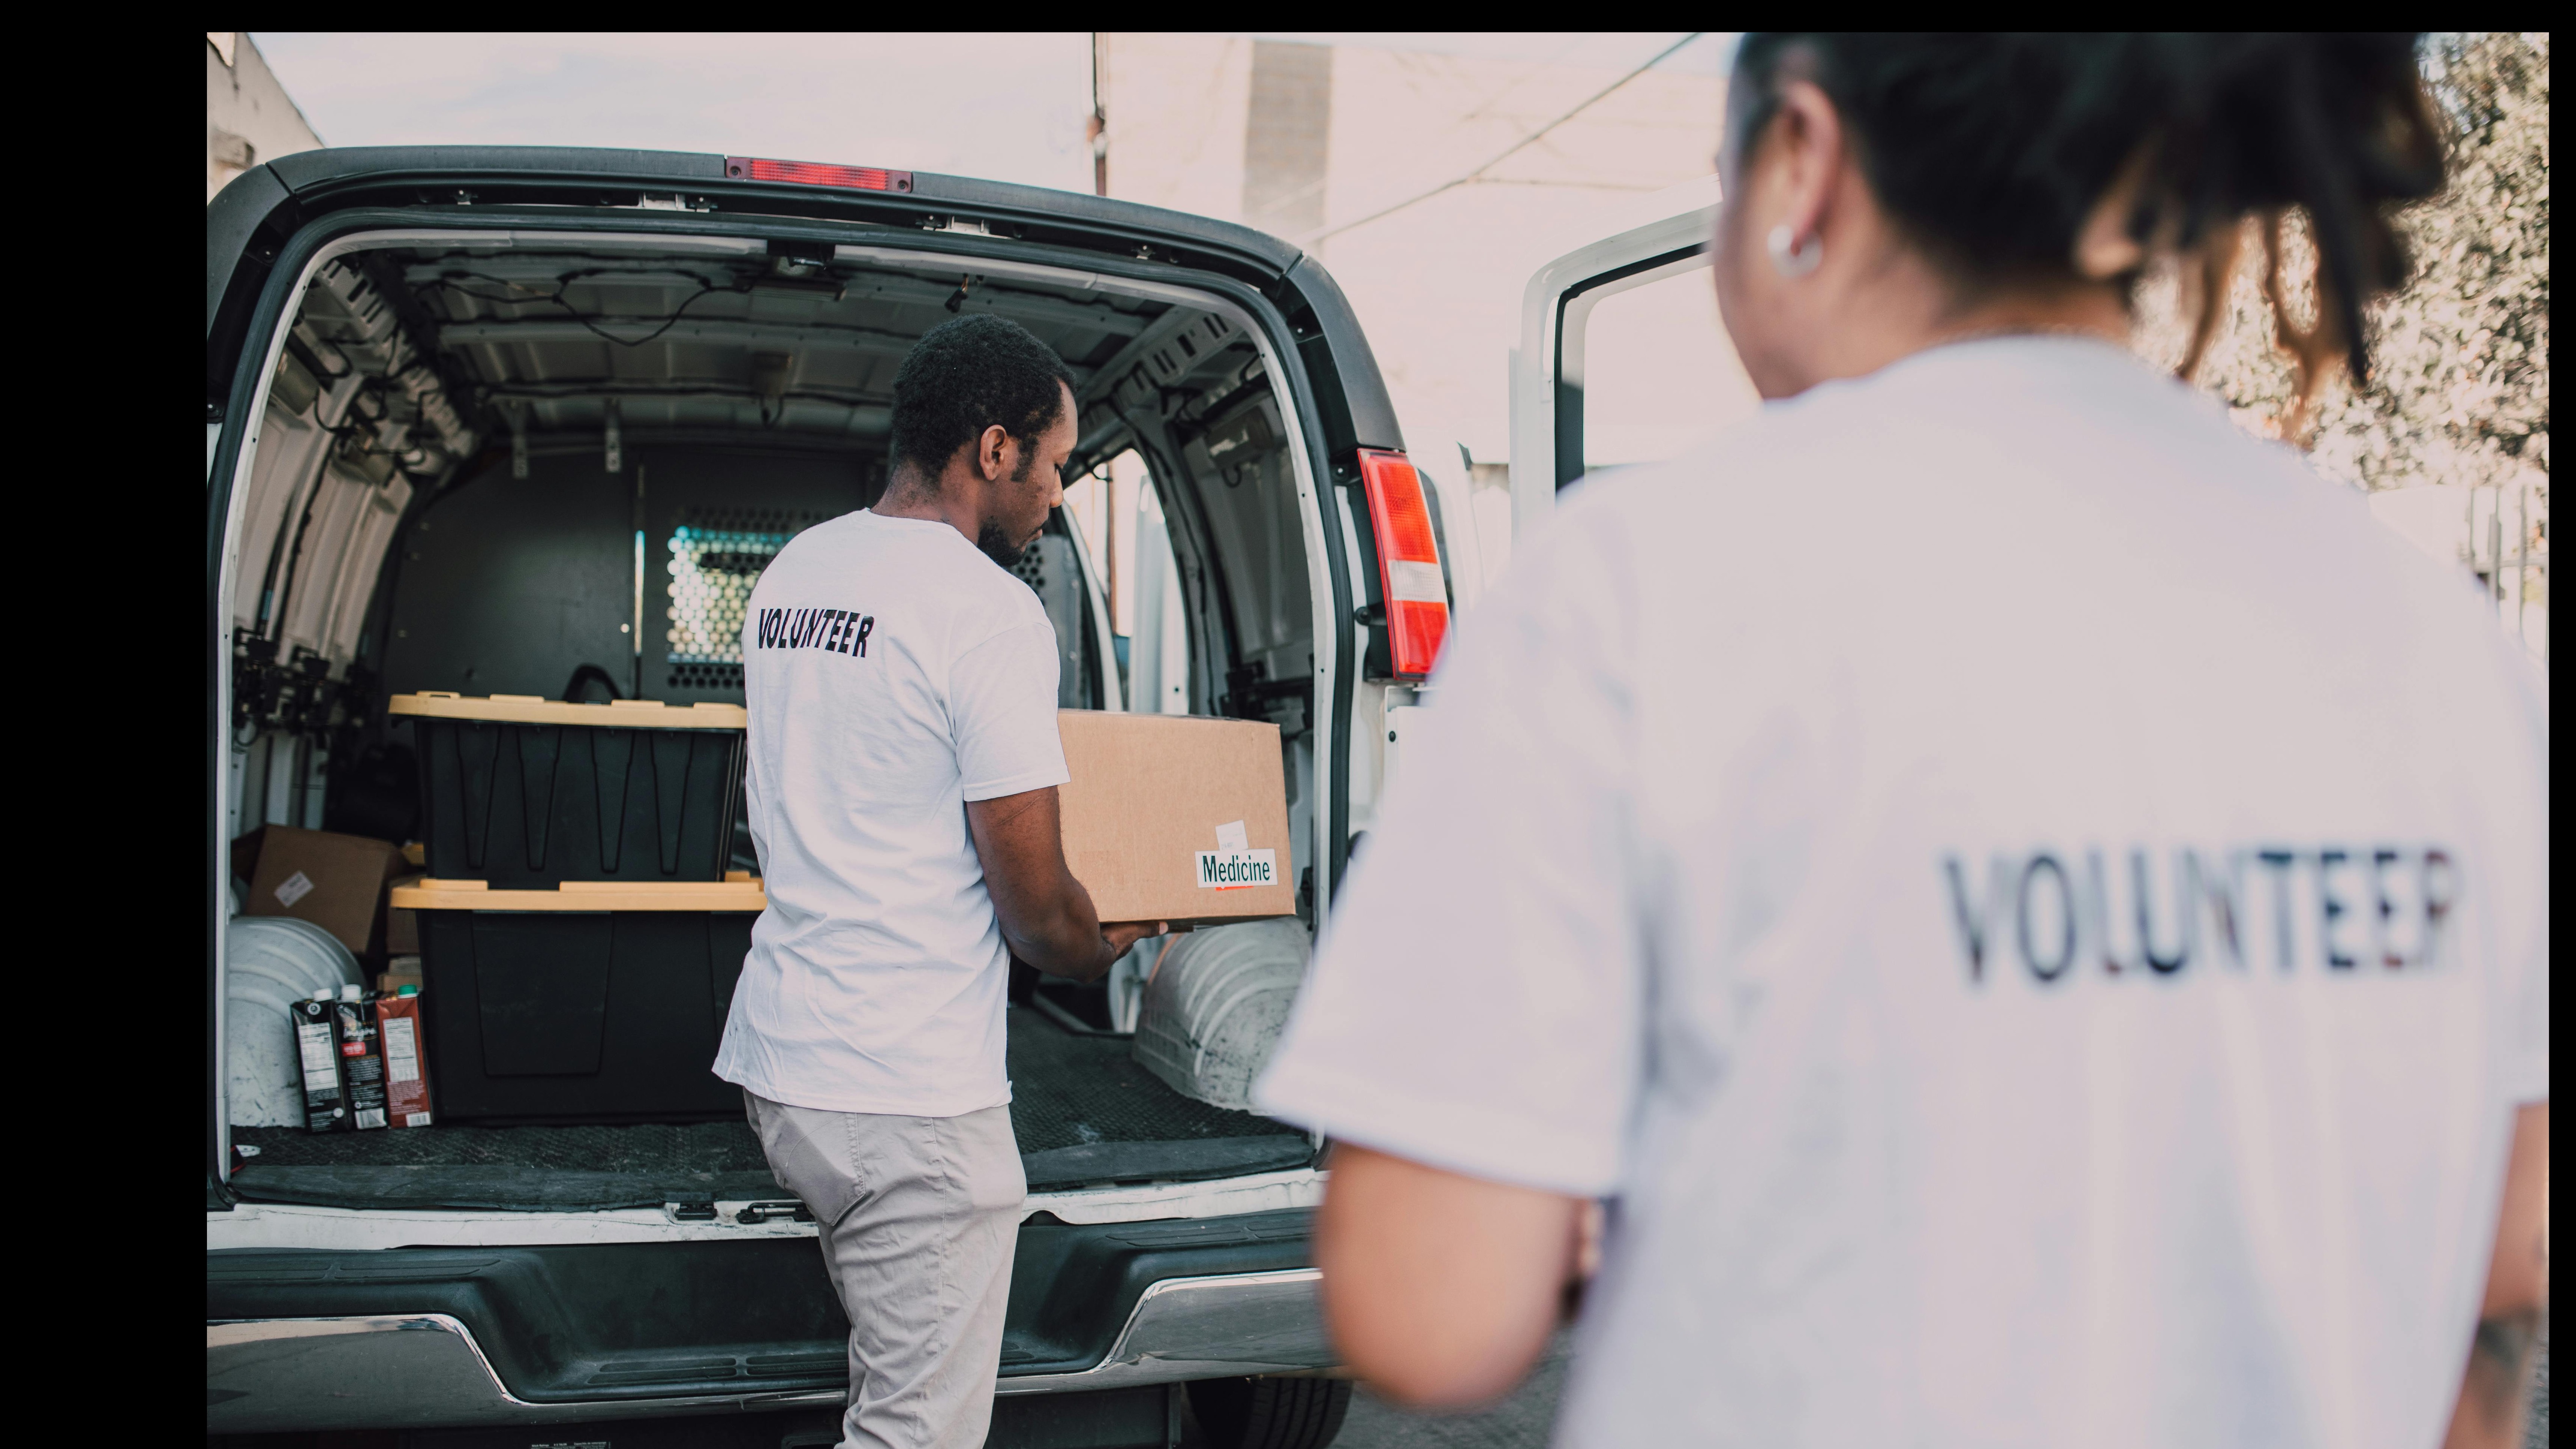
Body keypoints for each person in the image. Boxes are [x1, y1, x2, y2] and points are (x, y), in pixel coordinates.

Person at [1256, 33, 2547, 1449]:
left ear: (1800, 161)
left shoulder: (1635, 592)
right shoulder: (2438, 648)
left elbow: (1427, 1306)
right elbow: (2495, 1288)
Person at [714, 314, 1164, 1449]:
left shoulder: (796, 571)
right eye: (1056, 463)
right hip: (907, 1099)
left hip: (786, 1062)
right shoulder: (988, 612)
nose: (1057, 494)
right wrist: (1100, 944)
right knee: (916, 1434)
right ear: (995, 448)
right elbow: (1035, 911)